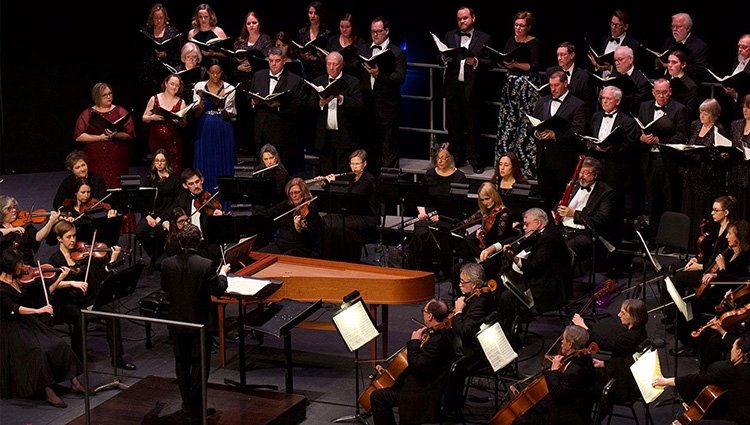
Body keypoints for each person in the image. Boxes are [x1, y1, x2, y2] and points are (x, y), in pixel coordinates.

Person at [0, 248, 88, 408]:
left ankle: (74, 381)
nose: (25, 267)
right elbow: (14, 308)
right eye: (20, 264)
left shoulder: (22, 279)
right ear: (10, 267)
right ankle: (48, 391)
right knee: (37, 351)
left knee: (59, 343)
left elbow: (45, 292)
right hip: (12, 327)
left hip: (29, 323)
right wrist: (38, 311)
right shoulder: (1, 288)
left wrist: (61, 276)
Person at [160, 223, 228, 420]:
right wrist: (223, 274)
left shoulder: (167, 264)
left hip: (177, 322)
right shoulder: (206, 265)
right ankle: (195, 409)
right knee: (199, 366)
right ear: (199, 242)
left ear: (180, 242)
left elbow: (165, 288)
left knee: (181, 364)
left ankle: (188, 405)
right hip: (200, 323)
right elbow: (218, 289)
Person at [47, 221, 133, 370]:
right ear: (59, 239)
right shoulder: (55, 260)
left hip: (86, 299)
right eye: (68, 237)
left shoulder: (84, 255)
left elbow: (98, 276)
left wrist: (111, 262)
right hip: (67, 301)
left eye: (74, 236)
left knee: (112, 315)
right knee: (78, 318)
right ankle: (79, 360)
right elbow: (52, 286)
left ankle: (118, 358)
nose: (73, 240)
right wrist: (71, 282)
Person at [480, 208, 571, 330]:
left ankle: (508, 330)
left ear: (538, 223)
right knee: (500, 278)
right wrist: (493, 248)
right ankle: (500, 319)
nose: (524, 227)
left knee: (507, 297)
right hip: (536, 275)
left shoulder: (550, 238)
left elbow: (534, 267)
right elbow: (516, 239)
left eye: (526, 224)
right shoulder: (540, 230)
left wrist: (513, 257)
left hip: (547, 285)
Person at [370, 298, 457, 425]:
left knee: (377, 397)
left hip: (421, 394)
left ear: (430, 316)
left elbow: (417, 367)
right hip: (429, 384)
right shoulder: (446, 332)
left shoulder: (437, 341)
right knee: (382, 394)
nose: (423, 313)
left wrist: (414, 342)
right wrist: (391, 372)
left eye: (424, 311)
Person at [440, 6, 492, 174]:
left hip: (474, 89)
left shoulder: (484, 37)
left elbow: (491, 62)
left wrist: (476, 62)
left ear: (473, 18)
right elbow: (440, 54)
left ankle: (476, 160)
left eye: (465, 18)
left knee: (474, 126)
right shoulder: (450, 35)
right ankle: (458, 158)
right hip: (454, 88)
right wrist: (444, 57)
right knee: (454, 126)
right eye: (459, 19)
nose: (462, 21)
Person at [652, 336, 750, 425]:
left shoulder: (734, 371)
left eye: (733, 347)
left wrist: (666, 381)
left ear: (739, 352)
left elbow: (700, 379)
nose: (731, 350)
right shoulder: (741, 369)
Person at [511, 325, 596, 425]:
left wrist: (554, 370)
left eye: (563, 339)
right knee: (532, 408)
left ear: (569, 344)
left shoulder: (575, 370)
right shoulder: (585, 357)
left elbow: (557, 395)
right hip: (576, 406)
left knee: (519, 421)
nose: (561, 342)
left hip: (569, 416)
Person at [636, 78, 690, 233]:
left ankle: (670, 238)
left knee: (669, 201)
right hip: (649, 160)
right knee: (652, 201)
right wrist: (641, 138)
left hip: (668, 161)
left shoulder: (680, 109)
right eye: (658, 92)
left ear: (670, 91)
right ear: (653, 92)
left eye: (665, 92)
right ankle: (653, 236)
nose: (661, 96)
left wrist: (660, 140)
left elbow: (682, 136)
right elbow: (638, 130)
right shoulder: (644, 106)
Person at [572, 299, 649, 407]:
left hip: (621, 387)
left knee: (579, 382)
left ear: (633, 317)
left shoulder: (628, 338)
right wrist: (604, 364)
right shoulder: (641, 332)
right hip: (627, 377)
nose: (618, 315)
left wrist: (584, 327)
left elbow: (606, 346)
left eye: (623, 313)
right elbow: (624, 358)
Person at [406, 143, 467, 275]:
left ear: (451, 158)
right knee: (420, 231)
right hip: (428, 215)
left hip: (448, 217)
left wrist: (441, 216)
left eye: (444, 157)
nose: (440, 161)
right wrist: (422, 211)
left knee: (434, 232)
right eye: (438, 157)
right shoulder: (429, 174)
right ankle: (424, 269)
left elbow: (459, 206)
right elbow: (420, 197)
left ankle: (443, 268)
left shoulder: (459, 177)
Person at [532, 71, 589, 211]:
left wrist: (555, 135)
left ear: (565, 84)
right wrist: (536, 133)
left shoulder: (578, 104)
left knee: (561, 198)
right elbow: (531, 124)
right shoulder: (542, 101)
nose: (553, 89)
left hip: (564, 161)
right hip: (543, 160)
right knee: (545, 196)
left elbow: (579, 131)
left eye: (556, 85)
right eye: (551, 85)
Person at [495, 11, 542, 179]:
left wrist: (515, 64)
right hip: (510, 89)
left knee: (524, 127)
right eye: (516, 25)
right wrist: (505, 62)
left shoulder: (534, 42)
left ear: (528, 27)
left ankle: (525, 169)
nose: (518, 28)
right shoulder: (510, 40)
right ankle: (504, 167)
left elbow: (534, 66)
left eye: (521, 25)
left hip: (526, 89)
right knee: (507, 126)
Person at [444, 263, 497, 411]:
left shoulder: (480, 302)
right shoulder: (478, 297)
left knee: (440, 352)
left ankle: (449, 404)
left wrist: (459, 312)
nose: (459, 285)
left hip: (474, 351)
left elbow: (465, 331)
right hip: (472, 343)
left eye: (463, 282)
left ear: (474, 285)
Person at [249, 47, 307, 175]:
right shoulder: (258, 76)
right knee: (261, 171)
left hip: (282, 133)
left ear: (284, 61)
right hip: (261, 130)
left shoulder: (295, 80)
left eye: (277, 61)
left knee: (282, 171)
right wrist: (253, 102)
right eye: (270, 60)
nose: (273, 64)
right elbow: (251, 98)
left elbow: (300, 106)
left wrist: (280, 105)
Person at [361, 16, 406, 172]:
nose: (375, 35)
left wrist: (379, 74)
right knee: (370, 145)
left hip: (388, 107)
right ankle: (371, 180)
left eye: (379, 31)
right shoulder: (365, 49)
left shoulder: (397, 52)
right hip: (367, 106)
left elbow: (400, 77)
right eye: (373, 31)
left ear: (387, 31)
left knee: (389, 147)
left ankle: (389, 183)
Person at [586, 85, 641, 216]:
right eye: (603, 98)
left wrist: (611, 149)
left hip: (615, 169)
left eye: (608, 99)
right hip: (597, 165)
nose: (604, 102)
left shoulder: (627, 121)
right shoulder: (596, 116)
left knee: (614, 207)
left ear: (617, 101)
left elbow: (630, 147)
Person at [681, 98, 730, 238]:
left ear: (714, 115)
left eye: (706, 113)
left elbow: (721, 154)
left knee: (703, 212)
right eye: (701, 112)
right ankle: (687, 242)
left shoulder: (719, 130)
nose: (702, 116)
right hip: (692, 175)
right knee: (690, 208)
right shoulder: (695, 125)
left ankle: (703, 243)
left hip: (708, 179)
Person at [319, 149, 378, 262]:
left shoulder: (368, 179)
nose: (354, 167)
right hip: (350, 212)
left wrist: (332, 183)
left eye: (357, 164)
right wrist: (325, 185)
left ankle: (349, 258)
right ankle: (330, 257)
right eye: (352, 164)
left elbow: (351, 196)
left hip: (365, 215)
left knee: (341, 225)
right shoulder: (350, 176)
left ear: (364, 164)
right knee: (327, 220)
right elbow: (340, 196)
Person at [310, 51, 363, 175]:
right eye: (329, 64)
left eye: (335, 64)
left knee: (343, 172)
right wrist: (321, 103)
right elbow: (309, 105)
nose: (331, 67)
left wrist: (341, 98)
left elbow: (359, 104)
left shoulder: (352, 82)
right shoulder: (318, 81)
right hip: (325, 136)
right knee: (326, 172)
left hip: (344, 135)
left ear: (341, 65)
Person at [73, 82, 135, 189]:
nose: (109, 97)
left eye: (110, 94)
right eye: (104, 95)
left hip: (116, 158)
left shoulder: (120, 111)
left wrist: (115, 135)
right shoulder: (88, 113)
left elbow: (130, 134)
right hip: (95, 157)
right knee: (97, 184)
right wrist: (100, 137)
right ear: (97, 96)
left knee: (117, 183)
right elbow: (79, 136)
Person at [556, 156, 618, 259]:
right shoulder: (575, 185)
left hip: (586, 234)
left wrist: (574, 214)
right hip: (564, 230)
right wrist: (556, 211)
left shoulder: (606, 192)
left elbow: (601, 218)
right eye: (580, 172)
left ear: (595, 175)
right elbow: (561, 203)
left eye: (586, 173)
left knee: (563, 250)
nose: (581, 176)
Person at [192, 59, 236, 193]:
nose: (215, 76)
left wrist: (221, 106)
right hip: (204, 128)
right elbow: (196, 115)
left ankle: (225, 198)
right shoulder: (199, 86)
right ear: (207, 72)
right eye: (212, 73)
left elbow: (228, 115)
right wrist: (200, 106)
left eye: (218, 73)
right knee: (206, 160)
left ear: (222, 72)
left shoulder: (230, 88)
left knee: (222, 160)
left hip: (223, 128)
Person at [135, 149, 181, 268]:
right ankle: (155, 257)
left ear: (167, 162)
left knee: (159, 233)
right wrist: (147, 216)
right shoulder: (150, 178)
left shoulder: (175, 179)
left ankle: (157, 259)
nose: (159, 163)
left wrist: (162, 218)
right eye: (157, 161)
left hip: (166, 215)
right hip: (151, 214)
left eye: (162, 161)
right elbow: (142, 200)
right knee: (140, 231)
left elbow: (175, 203)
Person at [259, 178, 322, 258]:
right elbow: (269, 213)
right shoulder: (286, 204)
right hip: (281, 245)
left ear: (303, 192)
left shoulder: (311, 208)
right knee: (258, 256)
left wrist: (300, 228)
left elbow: (310, 236)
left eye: (297, 192)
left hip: (299, 248)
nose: (294, 196)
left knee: (285, 258)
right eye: (291, 193)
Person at [142, 74, 188, 174]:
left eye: (177, 85)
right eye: (172, 84)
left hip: (173, 139)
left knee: (174, 167)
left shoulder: (181, 102)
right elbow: (144, 117)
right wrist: (152, 118)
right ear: (166, 84)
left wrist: (178, 121)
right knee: (158, 165)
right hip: (156, 138)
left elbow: (184, 124)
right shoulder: (154, 99)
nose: (174, 87)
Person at [138, 3, 182, 101]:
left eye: (161, 18)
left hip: (167, 69)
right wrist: (152, 52)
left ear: (165, 18)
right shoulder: (146, 31)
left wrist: (165, 54)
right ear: (152, 18)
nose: (158, 21)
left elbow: (178, 52)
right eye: (155, 18)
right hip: (149, 71)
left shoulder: (173, 32)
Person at [0, 195, 61, 265]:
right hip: (7, 265)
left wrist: (51, 222)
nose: (14, 210)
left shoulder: (26, 225)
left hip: (27, 263)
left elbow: (38, 237)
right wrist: (11, 229)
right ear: (2, 211)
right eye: (9, 208)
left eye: (14, 207)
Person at [656, 13, 709, 82]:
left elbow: (699, 69)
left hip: (688, 86)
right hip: (667, 84)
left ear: (688, 28)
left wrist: (672, 67)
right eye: (673, 26)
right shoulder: (668, 41)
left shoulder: (699, 46)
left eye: (678, 26)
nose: (675, 29)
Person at [587, 10, 642, 76]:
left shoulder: (633, 45)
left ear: (625, 27)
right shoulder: (604, 39)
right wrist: (597, 65)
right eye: (612, 24)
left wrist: (611, 69)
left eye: (618, 25)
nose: (613, 27)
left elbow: (633, 72)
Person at [546, 42, 597, 111]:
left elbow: (588, 104)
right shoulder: (550, 72)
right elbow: (546, 97)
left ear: (572, 55)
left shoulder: (583, 76)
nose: (559, 58)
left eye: (562, 55)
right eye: (558, 55)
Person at [608, 46, 652, 116]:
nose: (617, 63)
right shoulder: (613, 75)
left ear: (631, 59)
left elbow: (636, 105)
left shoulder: (642, 81)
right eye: (615, 60)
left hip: (630, 117)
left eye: (620, 59)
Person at [297, 1, 331, 81]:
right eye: (310, 13)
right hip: (305, 70)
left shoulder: (327, 33)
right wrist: (302, 55)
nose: (312, 16)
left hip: (321, 71)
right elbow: (298, 51)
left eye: (315, 13)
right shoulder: (302, 32)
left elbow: (329, 54)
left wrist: (317, 58)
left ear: (320, 14)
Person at [728, 95, 750, 219]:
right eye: (744, 107)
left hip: (748, 175)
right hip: (735, 173)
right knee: (735, 210)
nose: (745, 110)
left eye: (748, 108)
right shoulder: (735, 125)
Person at [254, 143, 291, 210]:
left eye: (271, 158)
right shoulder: (258, 170)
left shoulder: (282, 172)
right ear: (262, 160)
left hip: (276, 204)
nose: (269, 162)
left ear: (276, 157)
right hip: (262, 203)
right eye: (266, 159)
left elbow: (278, 193)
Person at [666, 50, 701, 117]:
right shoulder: (665, 80)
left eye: (674, 62)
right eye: (668, 62)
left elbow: (688, 111)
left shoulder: (690, 86)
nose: (670, 65)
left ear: (683, 65)